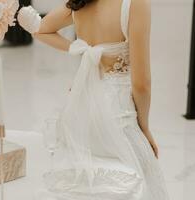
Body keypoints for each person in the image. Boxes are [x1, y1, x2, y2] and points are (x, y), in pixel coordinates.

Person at [18, 0, 169, 199]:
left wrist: (77, 48)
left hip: (80, 116)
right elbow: (141, 84)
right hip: (118, 119)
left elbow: (39, 29)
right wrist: (145, 129)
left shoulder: (80, 2)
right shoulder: (135, 3)